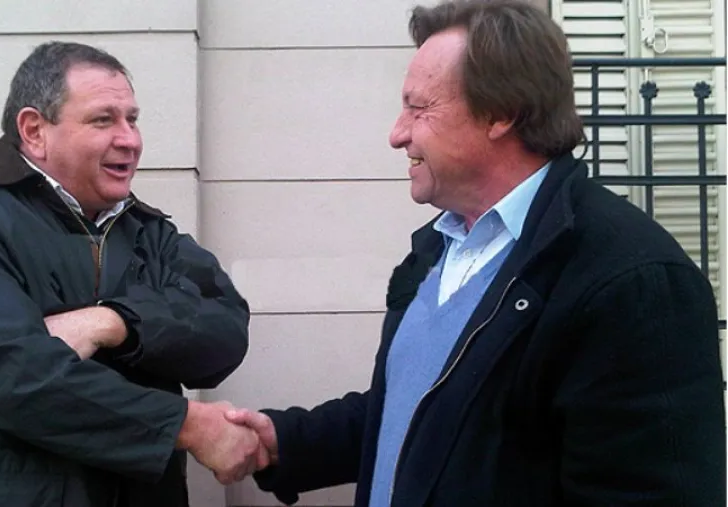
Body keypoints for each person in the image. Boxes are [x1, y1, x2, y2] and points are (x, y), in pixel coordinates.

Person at [226, 0, 726, 505]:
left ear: (501, 113)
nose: (398, 133)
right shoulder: (438, 251)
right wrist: (279, 441)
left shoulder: (633, 281)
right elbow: (417, 416)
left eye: (419, 108)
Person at [0, 41, 265, 507]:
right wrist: (186, 424)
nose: (130, 139)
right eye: (103, 120)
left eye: (133, 119)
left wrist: (115, 322)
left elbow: (224, 326)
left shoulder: (148, 231)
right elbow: (12, 382)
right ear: (34, 130)